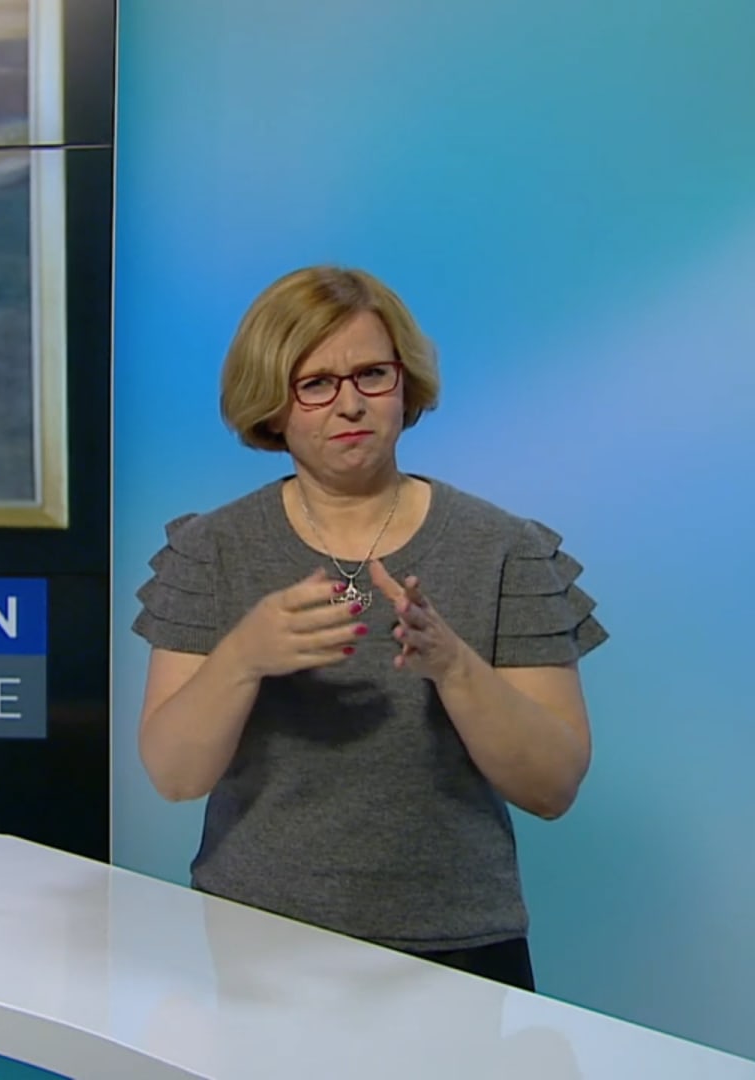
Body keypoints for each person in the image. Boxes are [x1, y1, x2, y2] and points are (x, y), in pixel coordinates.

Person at [130, 265, 607, 992]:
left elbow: (553, 787)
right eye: (316, 384)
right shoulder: (211, 550)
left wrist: (453, 665)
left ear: (405, 384)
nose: (349, 403)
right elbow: (174, 776)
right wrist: (244, 657)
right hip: (256, 944)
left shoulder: (506, 548)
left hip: (460, 949)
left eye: (372, 375)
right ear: (272, 405)